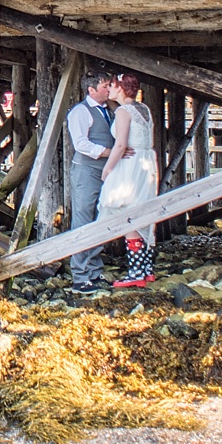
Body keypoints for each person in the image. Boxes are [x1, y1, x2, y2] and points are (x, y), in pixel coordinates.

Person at [100, 73, 160, 287]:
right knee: (143, 210)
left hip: (131, 164)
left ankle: (135, 273)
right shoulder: (144, 109)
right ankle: (147, 270)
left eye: (113, 86)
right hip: (147, 161)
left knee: (127, 211)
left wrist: (107, 169)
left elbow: (121, 145)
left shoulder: (123, 112)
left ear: (122, 89)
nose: (110, 90)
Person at [64, 69, 117, 294]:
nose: (109, 90)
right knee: (83, 219)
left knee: (101, 217)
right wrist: (109, 152)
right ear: (91, 89)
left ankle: (94, 270)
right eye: (105, 87)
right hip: (87, 170)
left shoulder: (111, 111)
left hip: (107, 170)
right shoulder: (80, 112)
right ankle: (79, 275)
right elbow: (81, 144)